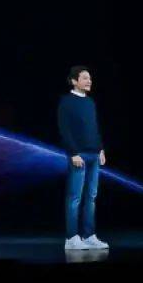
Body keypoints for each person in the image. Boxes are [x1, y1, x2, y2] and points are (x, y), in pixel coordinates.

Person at [58, 66, 109, 251]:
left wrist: (101, 149)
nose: (89, 81)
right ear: (74, 81)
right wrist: (73, 153)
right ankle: (72, 238)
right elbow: (64, 129)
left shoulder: (90, 102)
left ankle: (89, 236)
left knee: (91, 197)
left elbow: (94, 127)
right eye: (85, 78)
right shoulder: (66, 102)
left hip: (94, 154)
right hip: (78, 155)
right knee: (75, 198)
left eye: (90, 78)